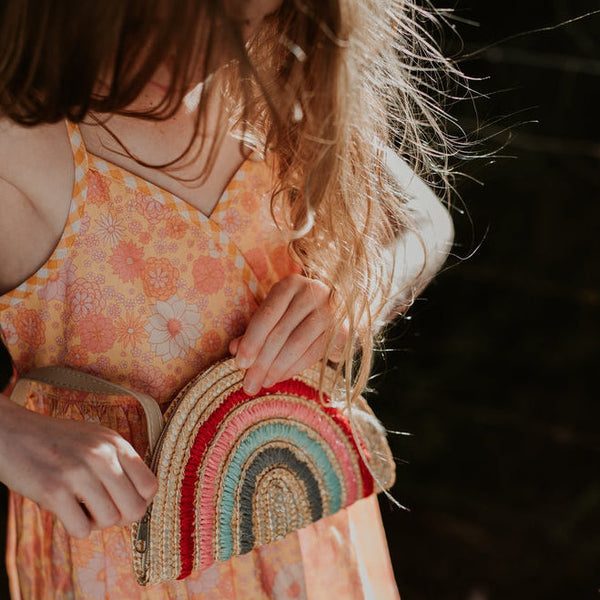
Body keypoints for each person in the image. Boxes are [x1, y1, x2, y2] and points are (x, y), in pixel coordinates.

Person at [0, 0, 456, 598]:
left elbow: (425, 221)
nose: (193, 56)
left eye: (236, 25)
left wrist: (355, 298)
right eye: (161, 16)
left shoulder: (268, 88)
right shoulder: (23, 142)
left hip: (307, 527)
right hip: (118, 567)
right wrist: (11, 434)